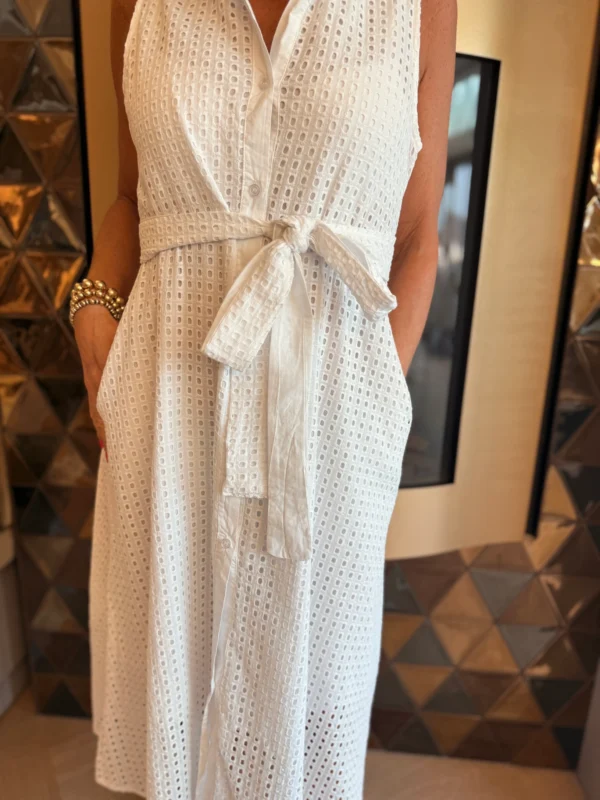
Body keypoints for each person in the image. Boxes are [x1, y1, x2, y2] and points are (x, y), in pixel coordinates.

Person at [72, 1, 457, 797]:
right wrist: (93, 301)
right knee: (175, 714)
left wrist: (376, 398)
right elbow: (130, 199)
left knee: (306, 727)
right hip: (169, 407)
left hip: (328, 434)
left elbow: (419, 233)